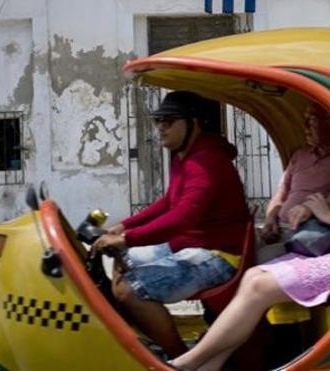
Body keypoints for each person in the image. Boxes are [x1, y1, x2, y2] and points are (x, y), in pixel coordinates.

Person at [171, 152, 330, 371]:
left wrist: (329, 217)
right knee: (253, 275)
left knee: (260, 286)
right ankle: (208, 366)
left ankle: (186, 362)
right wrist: (308, 208)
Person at [91, 90, 250, 358]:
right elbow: (169, 202)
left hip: (218, 255)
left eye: (169, 120)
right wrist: (124, 227)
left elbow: (183, 217)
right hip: (194, 243)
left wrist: (128, 238)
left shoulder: (206, 160)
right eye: (158, 120)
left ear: (194, 123)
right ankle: (145, 335)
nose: (161, 127)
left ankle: (175, 357)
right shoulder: (185, 155)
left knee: (130, 290)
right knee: (122, 258)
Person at [259, 105, 330, 257]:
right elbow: (281, 194)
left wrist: (310, 209)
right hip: (279, 228)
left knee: (262, 258)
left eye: (312, 120)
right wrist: (270, 219)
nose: (305, 126)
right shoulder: (299, 155)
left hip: (311, 230)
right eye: (305, 120)